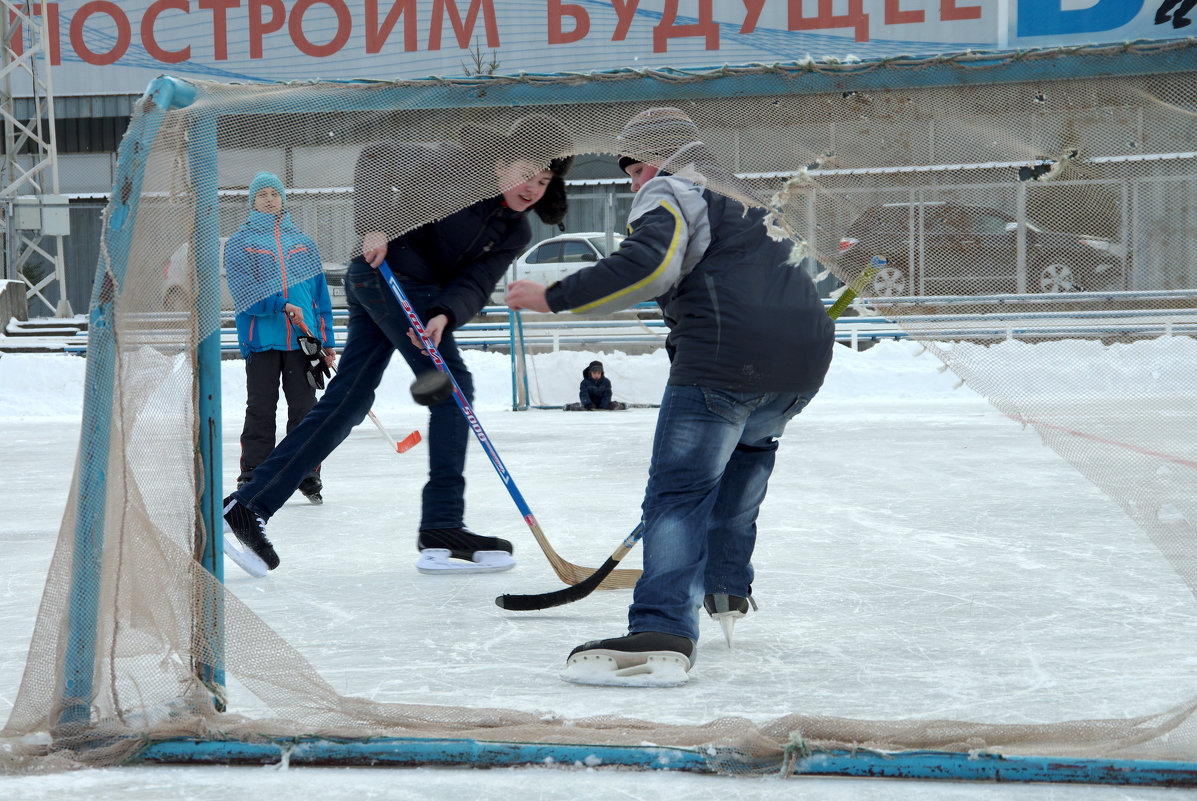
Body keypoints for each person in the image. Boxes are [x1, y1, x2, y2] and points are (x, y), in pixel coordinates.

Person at [506, 108, 835, 686]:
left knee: (679, 495)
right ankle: (727, 588)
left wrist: (553, 296)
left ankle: (662, 627)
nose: (634, 184)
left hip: (727, 356)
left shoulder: (671, 186)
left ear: (652, 159)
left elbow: (649, 266)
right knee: (742, 468)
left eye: (632, 170)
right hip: (801, 364)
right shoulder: (747, 193)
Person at [222, 116, 573, 576]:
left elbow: (475, 282)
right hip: (382, 269)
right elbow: (378, 156)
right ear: (504, 161)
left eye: (544, 181)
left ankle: (250, 504)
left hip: (415, 293)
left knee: (348, 402)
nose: (532, 188)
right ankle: (442, 525)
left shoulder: (516, 231)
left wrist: (445, 314)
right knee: (453, 390)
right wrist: (373, 225)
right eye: (528, 172)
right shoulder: (459, 166)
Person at [225, 171, 335, 505]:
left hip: (302, 341)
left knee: (305, 409)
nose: (270, 199)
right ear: (252, 202)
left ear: (283, 199)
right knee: (261, 407)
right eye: (262, 195)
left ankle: (306, 472)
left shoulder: (303, 242)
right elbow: (244, 294)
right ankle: (253, 473)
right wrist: (281, 304)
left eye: (275, 193)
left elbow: (319, 298)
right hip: (262, 341)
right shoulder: (239, 243)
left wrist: (326, 340)